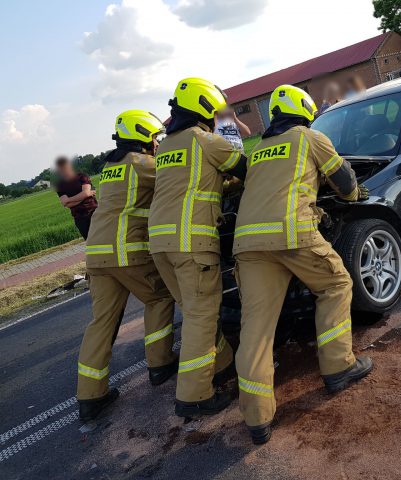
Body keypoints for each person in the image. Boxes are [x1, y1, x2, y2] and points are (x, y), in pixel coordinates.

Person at [232, 84, 373, 445]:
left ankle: (257, 420)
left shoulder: (259, 149)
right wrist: (356, 196)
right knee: (336, 284)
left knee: (257, 328)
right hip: (291, 233)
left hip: (248, 243)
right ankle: (339, 366)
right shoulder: (308, 137)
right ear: (305, 110)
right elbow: (344, 181)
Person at [149, 77, 247, 418]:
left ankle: (221, 367)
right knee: (202, 318)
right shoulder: (203, 140)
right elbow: (245, 170)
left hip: (160, 244)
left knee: (194, 314)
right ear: (205, 107)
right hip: (191, 243)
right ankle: (193, 397)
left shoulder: (166, 146)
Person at [77, 110, 178, 423]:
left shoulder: (110, 167)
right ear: (143, 136)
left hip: (96, 252)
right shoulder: (143, 164)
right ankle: (160, 364)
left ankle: (90, 397)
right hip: (126, 250)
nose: (157, 144)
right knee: (159, 297)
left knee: (102, 321)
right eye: (153, 138)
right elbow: (179, 180)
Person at [55, 156, 98, 240]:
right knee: (90, 243)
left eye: (65, 167)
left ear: (69, 166)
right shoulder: (60, 185)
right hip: (79, 218)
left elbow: (85, 193)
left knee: (105, 239)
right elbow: (66, 204)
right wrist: (86, 194)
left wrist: (69, 199)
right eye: (61, 169)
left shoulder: (82, 177)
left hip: (94, 212)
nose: (64, 170)